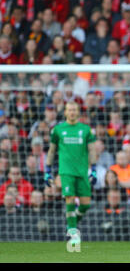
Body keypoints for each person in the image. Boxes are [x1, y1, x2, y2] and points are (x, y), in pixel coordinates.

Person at [45, 102, 97, 247]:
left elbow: (92, 150)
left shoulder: (86, 130)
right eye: (69, 110)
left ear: (78, 112)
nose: (72, 112)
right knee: (70, 199)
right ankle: (73, 233)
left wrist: (94, 169)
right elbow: (51, 150)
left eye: (74, 110)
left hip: (82, 172)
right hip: (66, 171)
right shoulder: (58, 130)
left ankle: (71, 220)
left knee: (85, 204)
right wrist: (47, 170)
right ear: (65, 112)